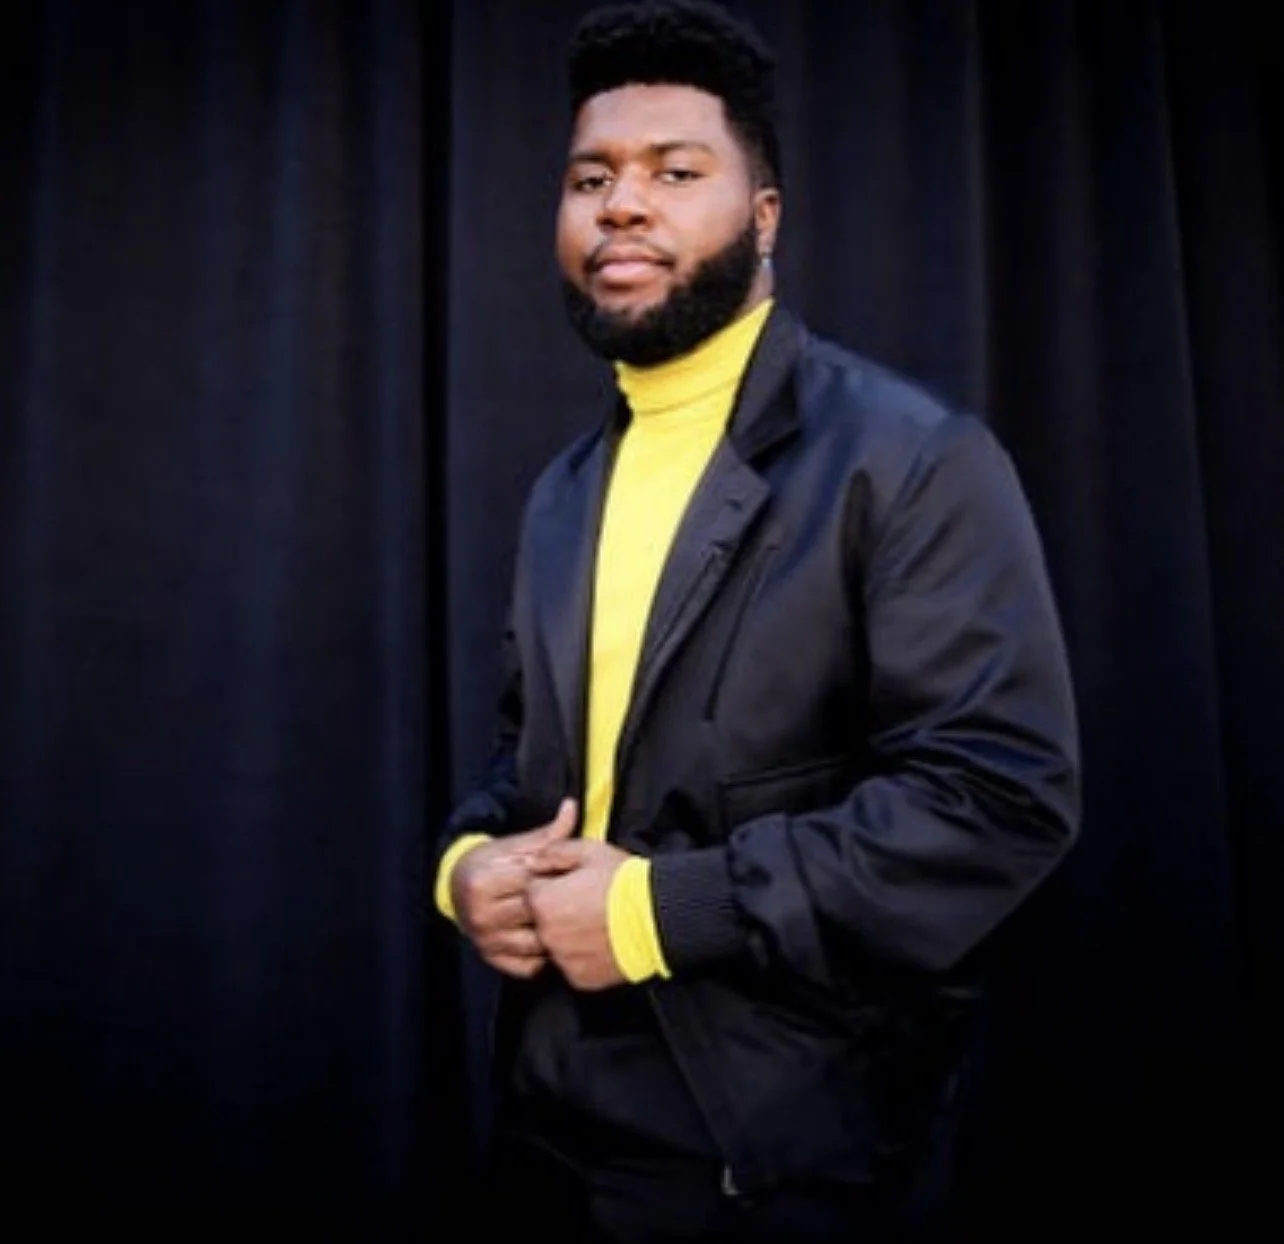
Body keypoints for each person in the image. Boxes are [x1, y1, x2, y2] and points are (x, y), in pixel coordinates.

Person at [435, 2, 1080, 1239]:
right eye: (592, 177)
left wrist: (654, 908)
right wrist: (469, 869)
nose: (623, 204)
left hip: (775, 1151)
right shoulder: (568, 488)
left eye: (676, 172)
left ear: (765, 217)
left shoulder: (911, 457)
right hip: (547, 1123)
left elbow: (998, 797)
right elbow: (530, 762)